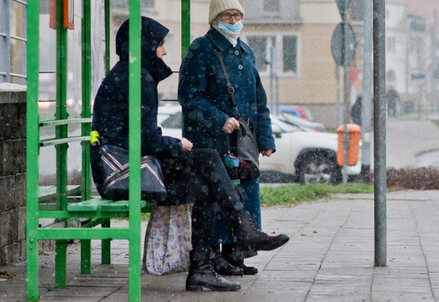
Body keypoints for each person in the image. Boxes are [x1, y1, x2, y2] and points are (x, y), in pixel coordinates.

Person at [90, 17, 289, 292]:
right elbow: (147, 141)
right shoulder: (136, 79)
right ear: (144, 45)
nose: (165, 52)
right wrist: (178, 145)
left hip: (128, 165)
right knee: (206, 168)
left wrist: (177, 146)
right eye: (160, 45)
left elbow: (138, 138)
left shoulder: (131, 74)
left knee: (206, 169)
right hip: (123, 173)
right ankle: (229, 241)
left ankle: (208, 264)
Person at [179, 0, 276, 276]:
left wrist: (265, 139)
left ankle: (236, 255)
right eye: (227, 14)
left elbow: (259, 101)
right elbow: (189, 97)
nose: (234, 19)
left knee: (244, 193)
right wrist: (219, 119)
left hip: (242, 144)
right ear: (214, 19)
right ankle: (214, 255)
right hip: (211, 142)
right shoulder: (201, 49)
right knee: (219, 198)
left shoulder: (246, 52)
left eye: (237, 14)